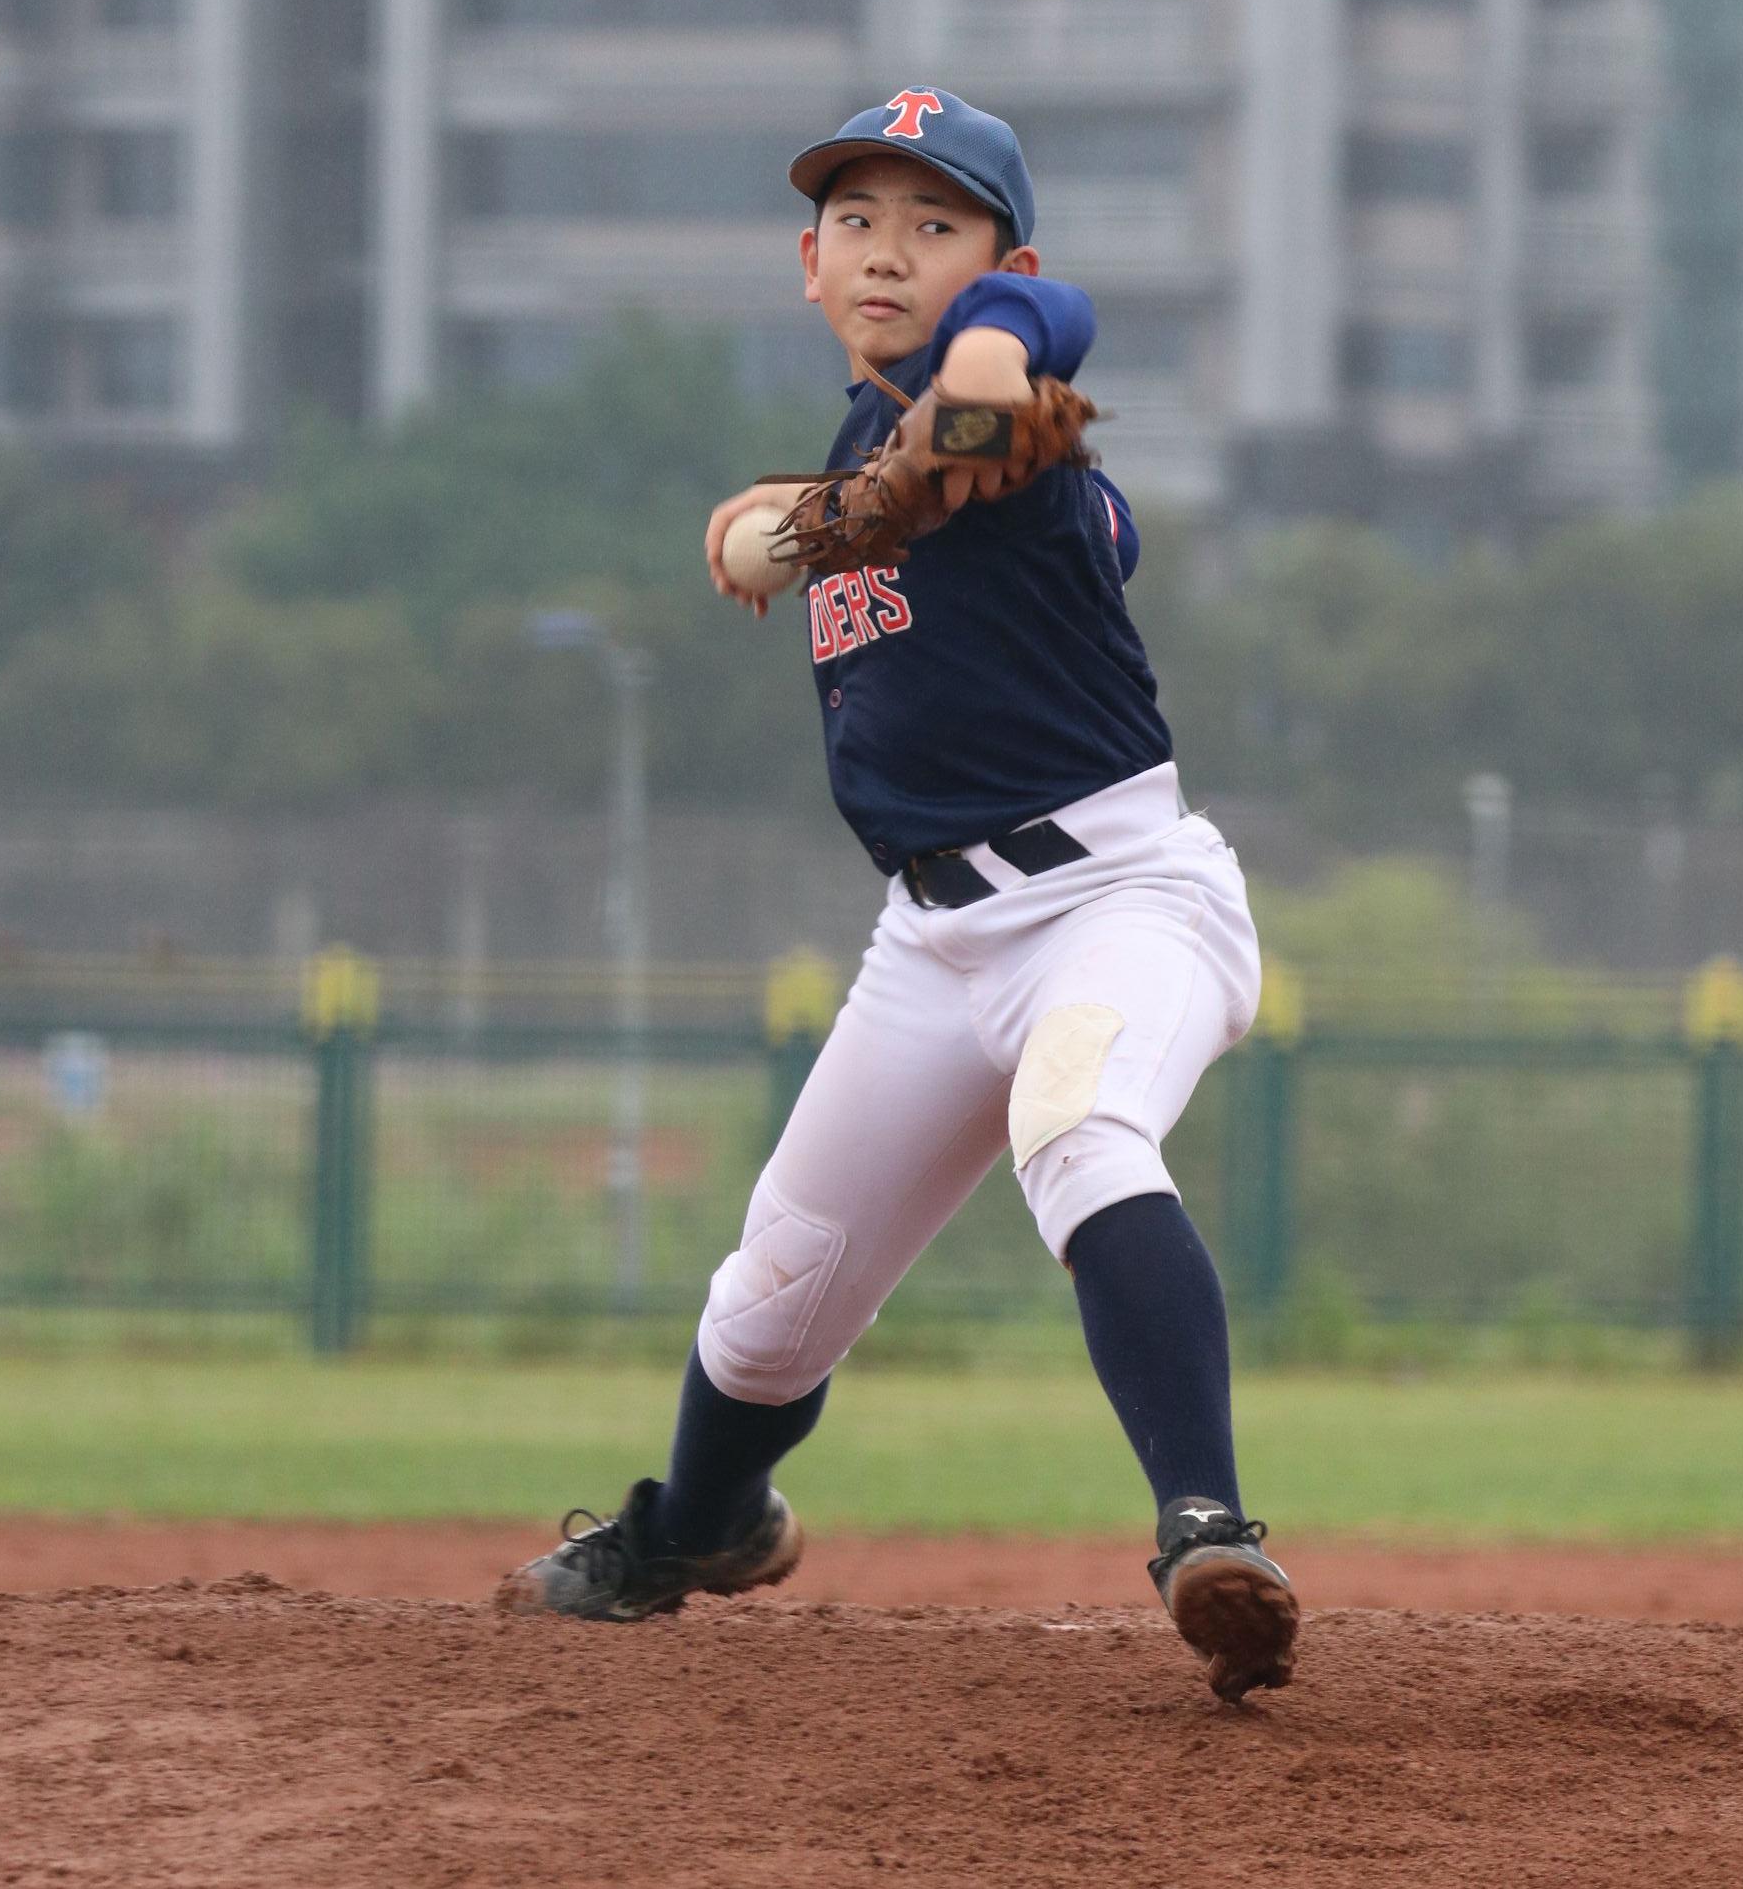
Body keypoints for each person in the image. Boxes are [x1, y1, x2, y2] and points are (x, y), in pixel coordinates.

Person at [497, 90, 1298, 1698]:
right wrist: (806, 513)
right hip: (929, 940)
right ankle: (703, 1527)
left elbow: (1001, 386)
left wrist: (940, 424)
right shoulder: (860, 452)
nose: (888, 252)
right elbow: (824, 516)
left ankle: (1208, 1531)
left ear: (1002, 265)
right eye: (856, 222)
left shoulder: (1021, 386)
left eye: (936, 226)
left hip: (1120, 898)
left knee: (1078, 1131)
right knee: (770, 1300)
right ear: (807, 264)